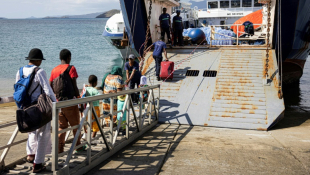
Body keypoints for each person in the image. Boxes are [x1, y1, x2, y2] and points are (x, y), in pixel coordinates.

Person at [15, 48, 57, 173]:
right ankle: (38, 164)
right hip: (38, 108)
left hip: (25, 107)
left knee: (32, 132)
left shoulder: (20, 71)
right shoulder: (40, 71)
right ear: (38, 60)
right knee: (43, 134)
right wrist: (55, 105)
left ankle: (31, 155)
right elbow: (48, 91)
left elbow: (17, 90)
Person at [49, 49, 85, 154]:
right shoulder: (71, 68)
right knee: (76, 125)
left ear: (60, 58)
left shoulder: (54, 70)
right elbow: (74, 86)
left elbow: (50, 85)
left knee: (62, 127)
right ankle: (78, 146)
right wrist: (79, 101)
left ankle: (60, 149)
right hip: (69, 102)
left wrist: (55, 98)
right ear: (69, 57)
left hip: (58, 104)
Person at [85, 75, 101, 141]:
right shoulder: (94, 90)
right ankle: (93, 138)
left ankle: (86, 136)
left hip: (87, 108)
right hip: (95, 108)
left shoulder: (86, 89)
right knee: (96, 123)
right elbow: (100, 96)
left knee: (88, 122)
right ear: (95, 82)